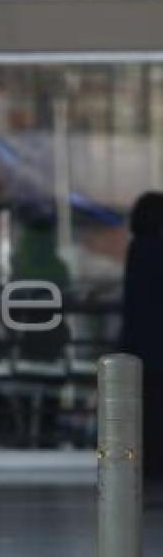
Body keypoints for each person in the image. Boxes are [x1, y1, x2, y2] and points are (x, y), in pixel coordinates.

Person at [121, 191, 163, 481]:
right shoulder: (157, 249)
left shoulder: (137, 249)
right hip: (157, 345)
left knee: (146, 413)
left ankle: (148, 467)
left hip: (141, 346)